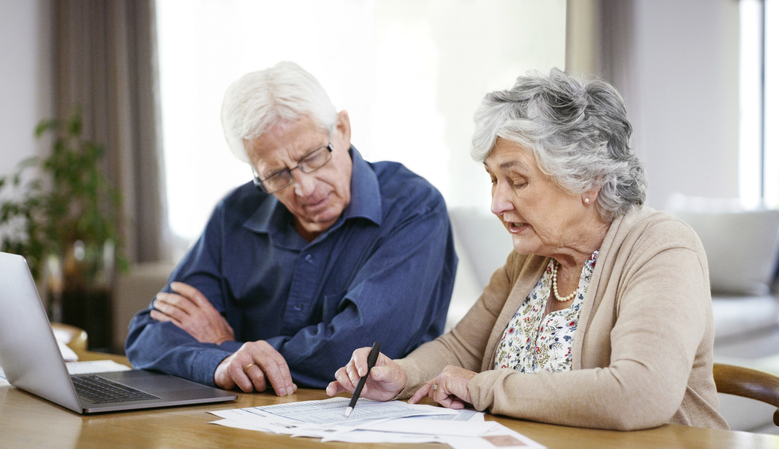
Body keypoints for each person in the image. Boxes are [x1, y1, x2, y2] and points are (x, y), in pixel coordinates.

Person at [327, 68, 729, 431]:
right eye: (493, 180)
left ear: (587, 179)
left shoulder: (662, 248)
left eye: (517, 181)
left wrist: (485, 388)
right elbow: (462, 347)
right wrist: (402, 374)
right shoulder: (532, 259)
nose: (496, 203)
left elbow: (639, 393)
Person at [125, 61, 457, 396]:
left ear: (342, 130)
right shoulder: (234, 213)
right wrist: (221, 363)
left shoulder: (413, 207)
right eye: (276, 175)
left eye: (312, 157)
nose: (305, 188)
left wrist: (226, 348)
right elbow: (148, 336)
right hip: (246, 415)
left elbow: (357, 354)